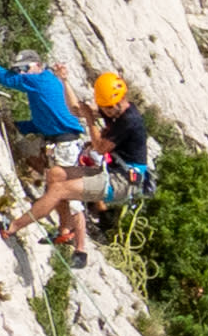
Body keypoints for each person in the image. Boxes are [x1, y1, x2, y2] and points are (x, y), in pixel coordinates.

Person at [23, 70, 156, 265]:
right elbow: (76, 109)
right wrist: (65, 80)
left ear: (122, 98)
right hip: (113, 171)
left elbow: (100, 147)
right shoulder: (112, 111)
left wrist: (90, 120)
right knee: (57, 178)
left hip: (125, 179)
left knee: (66, 190)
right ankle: (65, 232)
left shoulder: (129, 120)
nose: (109, 110)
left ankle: (79, 249)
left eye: (111, 107)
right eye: (106, 107)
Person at [0, 52, 88, 246]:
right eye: (19, 70)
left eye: (25, 69)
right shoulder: (47, 81)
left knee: (66, 196)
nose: (22, 73)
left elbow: (5, 78)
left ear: (38, 65)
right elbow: (48, 119)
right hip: (64, 142)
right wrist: (21, 126)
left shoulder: (39, 81)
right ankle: (65, 231)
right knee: (58, 192)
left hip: (65, 144)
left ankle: (78, 246)